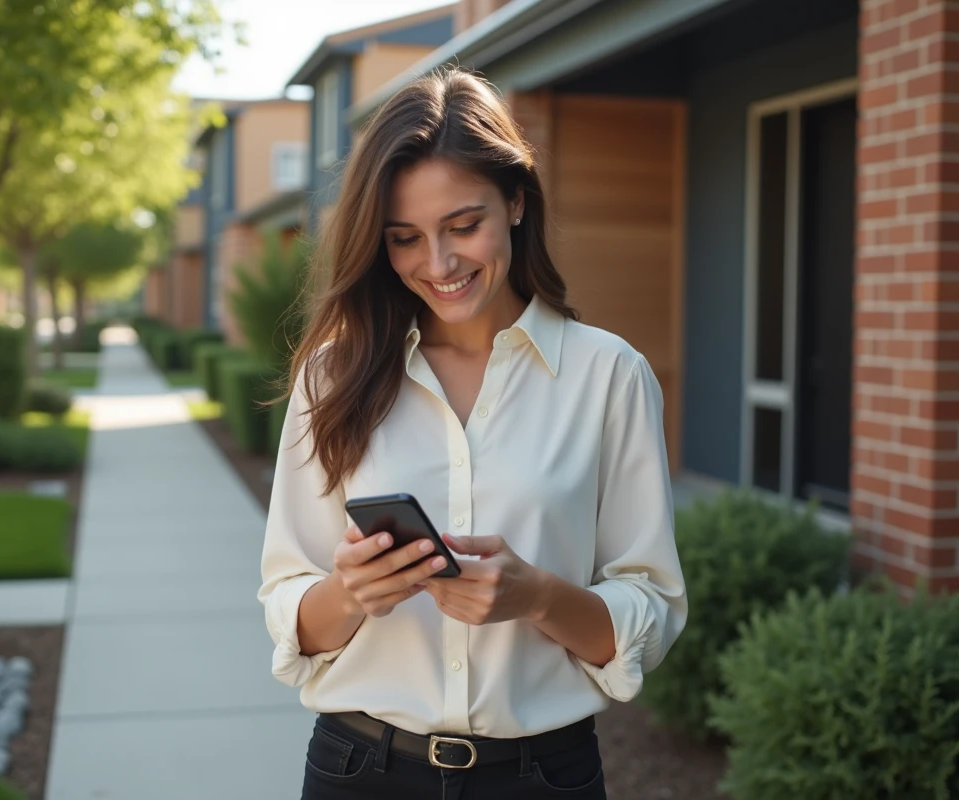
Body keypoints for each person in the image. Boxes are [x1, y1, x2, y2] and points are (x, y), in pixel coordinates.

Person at [258, 67, 687, 800]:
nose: (440, 263)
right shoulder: (334, 377)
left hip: (543, 778)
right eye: (405, 239)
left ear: (516, 201)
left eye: (463, 225)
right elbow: (290, 610)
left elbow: (648, 613)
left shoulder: (609, 376)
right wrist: (351, 592)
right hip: (359, 772)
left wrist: (541, 597)